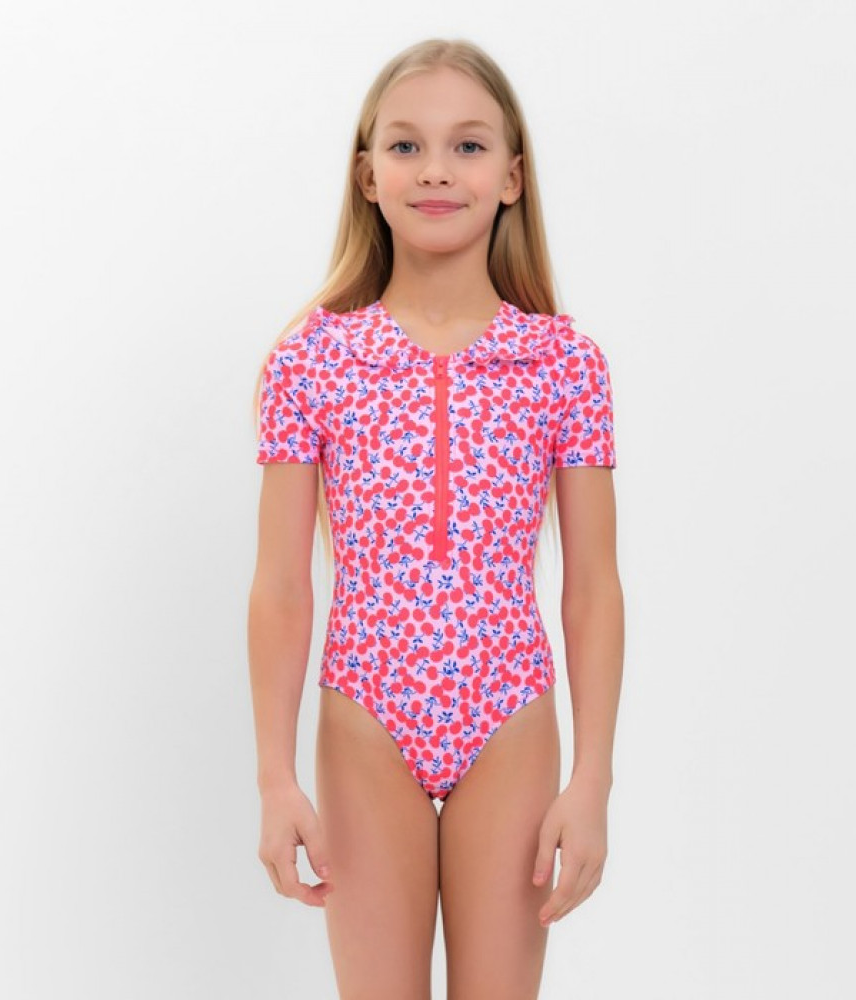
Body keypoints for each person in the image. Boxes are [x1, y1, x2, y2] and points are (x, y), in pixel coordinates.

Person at [247, 37, 624, 1000]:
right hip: (366, 716)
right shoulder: (312, 363)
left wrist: (592, 780)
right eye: (406, 146)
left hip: (510, 715)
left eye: (468, 145)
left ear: (512, 176)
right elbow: (282, 587)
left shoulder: (563, 366)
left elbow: (593, 588)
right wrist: (275, 779)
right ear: (367, 175)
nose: (436, 170)